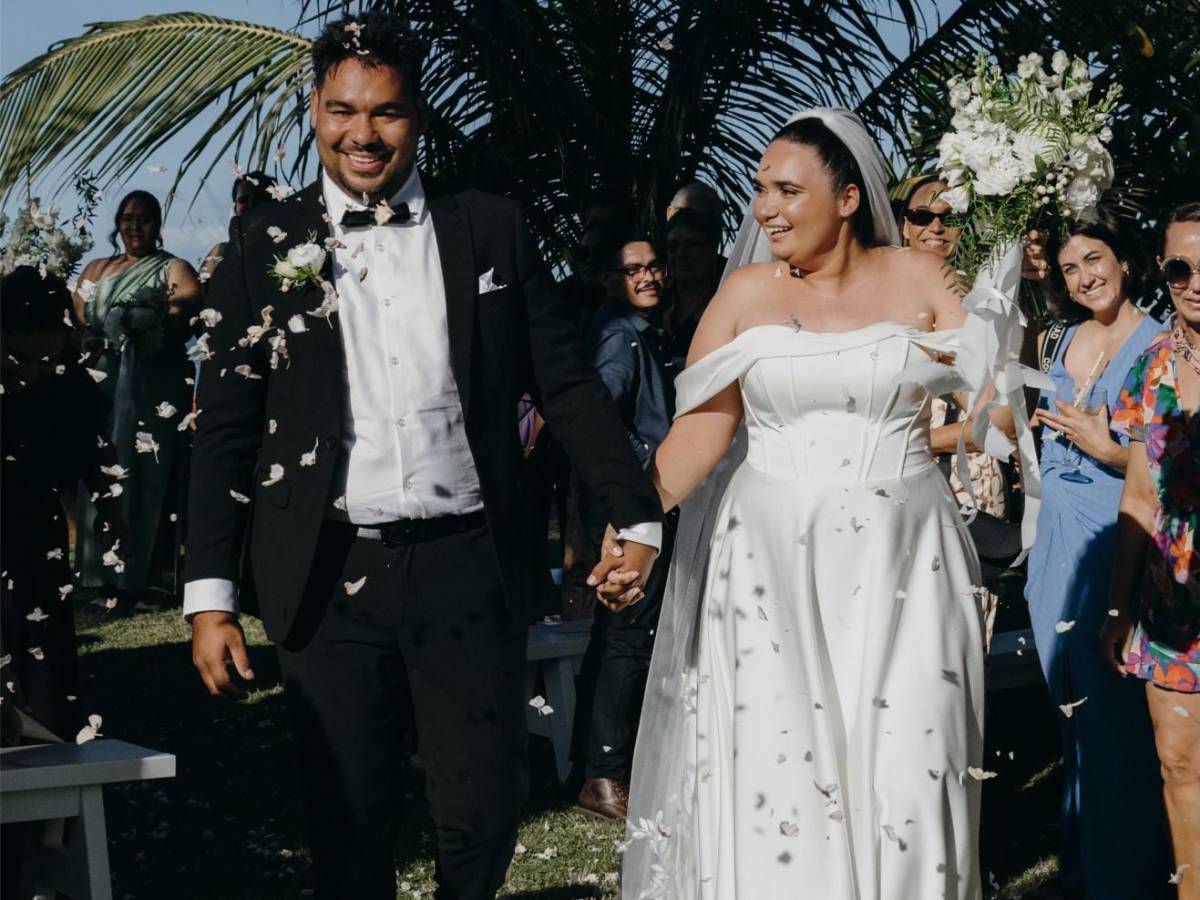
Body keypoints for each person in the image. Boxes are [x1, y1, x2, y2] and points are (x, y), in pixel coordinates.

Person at [182, 13, 661, 900]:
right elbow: (227, 429)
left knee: (481, 810)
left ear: (419, 116)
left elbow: (567, 386)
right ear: (315, 111)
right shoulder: (264, 245)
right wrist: (209, 595)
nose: (363, 133)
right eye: (343, 110)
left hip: (467, 562)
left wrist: (634, 509)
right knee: (349, 823)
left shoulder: (490, 229)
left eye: (388, 112)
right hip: (327, 572)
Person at [595, 109, 1024, 898]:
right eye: (761, 190)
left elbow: (996, 409)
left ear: (850, 197)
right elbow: (702, 430)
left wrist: (1003, 325)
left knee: (910, 769)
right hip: (770, 562)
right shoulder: (744, 294)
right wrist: (639, 527)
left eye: (787, 189)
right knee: (781, 778)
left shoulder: (923, 280)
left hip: (906, 560)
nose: (766, 209)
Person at [1025, 209, 1167, 899]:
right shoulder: (1060, 341)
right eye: (1070, 267)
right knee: (1072, 723)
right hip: (1052, 544)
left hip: (1114, 539)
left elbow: (1167, 468)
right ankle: (1083, 869)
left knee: (1115, 727)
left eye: (1095, 258)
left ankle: (1126, 879)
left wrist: (1104, 445)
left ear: (1126, 260)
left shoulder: (1162, 347)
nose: (1085, 276)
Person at [1, 267, 124, 896]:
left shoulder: (70, 389)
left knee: (42, 689)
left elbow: (88, 473)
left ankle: (47, 840)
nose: (37, 360)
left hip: (35, 549)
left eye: (50, 345)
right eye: (24, 347)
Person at [1107, 202, 1200, 900]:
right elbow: (1139, 496)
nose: (1196, 280)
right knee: (1179, 766)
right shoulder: (1152, 369)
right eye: (1180, 267)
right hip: (1171, 602)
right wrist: (1117, 607)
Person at [575, 233, 677, 819]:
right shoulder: (620, 337)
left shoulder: (642, 332)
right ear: (609, 279)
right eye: (631, 268)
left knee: (621, 636)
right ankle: (604, 775)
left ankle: (596, 764)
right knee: (629, 638)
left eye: (654, 265)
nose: (648, 276)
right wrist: (637, 477)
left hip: (640, 502)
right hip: (635, 507)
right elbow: (602, 414)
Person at [898, 175, 1016, 642]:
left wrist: (923, 441)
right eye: (922, 216)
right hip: (897, 480)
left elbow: (1001, 419)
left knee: (963, 634)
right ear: (904, 224)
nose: (935, 226)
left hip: (971, 478)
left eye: (950, 217)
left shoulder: (986, 304)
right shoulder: (882, 298)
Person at [72, 190, 201, 603]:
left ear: (157, 224)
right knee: (100, 471)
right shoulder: (96, 267)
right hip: (101, 386)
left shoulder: (174, 267)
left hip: (153, 390)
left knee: (147, 474)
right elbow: (74, 318)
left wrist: (148, 326)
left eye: (144, 219)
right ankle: (96, 574)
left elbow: (189, 316)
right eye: (128, 218)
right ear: (117, 223)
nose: (135, 227)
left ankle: (147, 575)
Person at [664, 208, 725, 364]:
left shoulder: (724, 305)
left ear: (712, 251)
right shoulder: (655, 302)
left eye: (691, 244)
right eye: (673, 246)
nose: (681, 253)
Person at [200, 171, 278, 280]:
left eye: (259, 198)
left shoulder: (295, 250)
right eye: (243, 200)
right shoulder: (220, 253)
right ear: (235, 208)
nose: (251, 204)